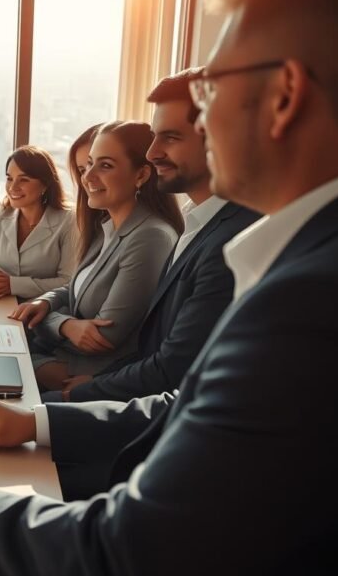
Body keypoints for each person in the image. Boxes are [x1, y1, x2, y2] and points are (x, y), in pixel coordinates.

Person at [0, 0, 338, 573]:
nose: (194, 122)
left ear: (284, 97)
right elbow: (181, 404)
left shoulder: (320, 299)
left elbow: (134, 545)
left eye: (211, 88)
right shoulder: (310, 258)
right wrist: (38, 422)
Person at [48, 68, 260, 403]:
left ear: (218, 133)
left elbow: (173, 367)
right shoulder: (195, 218)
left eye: (170, 137)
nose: (152, 151)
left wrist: (87, 390)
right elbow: (156, 349)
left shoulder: (232, 239)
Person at [12, 122, 183, 389]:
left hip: (88, 374)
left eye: (105, 166)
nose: (87, 177)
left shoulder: (150, 237)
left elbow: (100, 338)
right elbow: (75, 289)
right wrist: (49, 306)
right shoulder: (108, 226)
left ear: (141, 175)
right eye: (88, 165)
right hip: (59, 354)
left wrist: (54, 322)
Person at [0, 145, 77, 300]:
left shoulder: (69, 220)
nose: (13, 187)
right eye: (9, 178)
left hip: (45, 309)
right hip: (0, 304)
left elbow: (68, 281)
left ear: (45, 185)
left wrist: (13, 285)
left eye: (23, 179)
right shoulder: (1, 212)